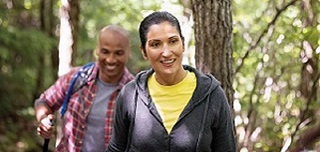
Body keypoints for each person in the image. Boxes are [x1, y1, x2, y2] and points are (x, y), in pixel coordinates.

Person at [107, 11, 236, 152]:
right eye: (156, 44)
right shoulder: (130, 95)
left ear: (183, 44)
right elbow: (116, 149)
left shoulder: (213, 95)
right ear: (144, 52)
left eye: (173, 41)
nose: (167, 52)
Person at [34, 25, 134, 152]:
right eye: (105, 51)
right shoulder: (75, 78)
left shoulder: (135, 93)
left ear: (128, 52)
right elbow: (43, 101)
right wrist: (44, 120)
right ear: (97, 50)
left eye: (118, 53)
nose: (110, 59)